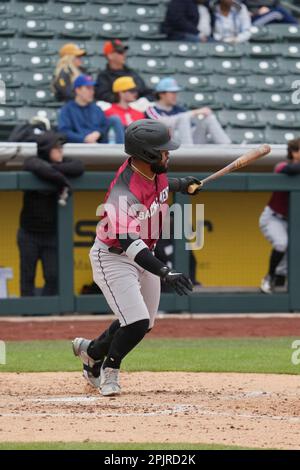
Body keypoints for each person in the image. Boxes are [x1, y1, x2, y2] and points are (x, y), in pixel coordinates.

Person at [72, 119, 203, 396]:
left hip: (144, 252)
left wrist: (183, 185)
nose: (168, 154)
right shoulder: (123, 192)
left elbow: (162, 189)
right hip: (114, 257)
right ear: (147, 154)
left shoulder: (154, 172)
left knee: (143, 324)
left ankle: (91, 351)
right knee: (136, 322)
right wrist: (165, 272)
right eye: (163, 150)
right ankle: (107, 369)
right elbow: (129, 243)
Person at [18, 131, 84, 296]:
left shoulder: (62, 164)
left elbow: (79, 166)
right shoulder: (33, 162)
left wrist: (53, 170)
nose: (60, 151)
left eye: (61, 148)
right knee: (28, 276)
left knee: (53, 276)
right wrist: (63, 181)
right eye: (56, 148)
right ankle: (28, 314)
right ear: (47, 150)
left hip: (51, 234)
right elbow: (35, 166)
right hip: (29, 233)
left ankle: (47, 312)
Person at [259, 138, 300, 294]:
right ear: (294, 152)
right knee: (282, 243)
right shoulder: (282, 166)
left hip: (293, 221)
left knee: (290, 253)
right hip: (273, 217)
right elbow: (290, 170)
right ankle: (269, 277)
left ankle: (280, 280)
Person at [145, 77, 231, 145]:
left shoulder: (179, 109)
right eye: (172, 92)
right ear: (161, 94)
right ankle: (188, 151)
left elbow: (193, 127)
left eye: (176, 92)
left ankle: (228, 149)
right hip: (167, 147)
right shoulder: (152, 109)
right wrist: (193, 113)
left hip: (190, 143)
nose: (175, 95)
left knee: (209, 118)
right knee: (183, 117)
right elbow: (163, 123)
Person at [58, 74, 124, 144]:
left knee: (114, 119)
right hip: (77, 148)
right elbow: (64, 132)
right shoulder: (67, 109)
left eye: (92, 88)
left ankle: (122, 152)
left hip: (99, 148)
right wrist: (84, 139)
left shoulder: (97, 108)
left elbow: (104, 126)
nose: (92, 92)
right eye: (88, 88)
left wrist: (98, 132)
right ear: (77, 90)